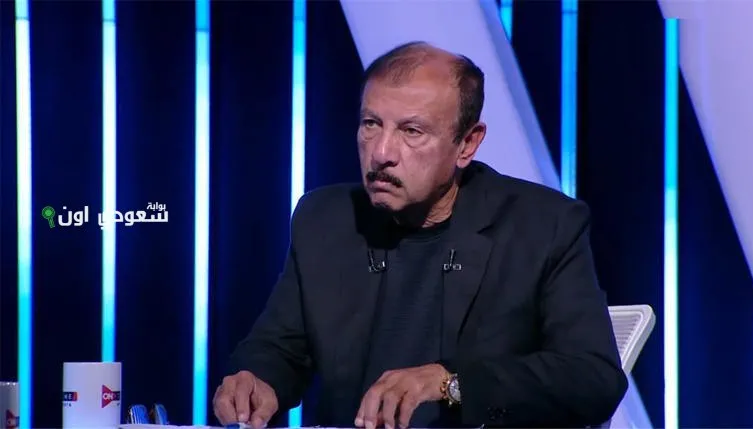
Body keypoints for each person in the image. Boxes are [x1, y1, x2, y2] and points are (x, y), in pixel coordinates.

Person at [213, 41, 627, 429]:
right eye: (371, 124)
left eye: (411, 131)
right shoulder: (325, 219)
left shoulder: (542, 225)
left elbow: (592, 378)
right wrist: (256, 380)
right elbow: (280, 348)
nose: (381, 153)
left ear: (467, 144)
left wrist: (451, 383)